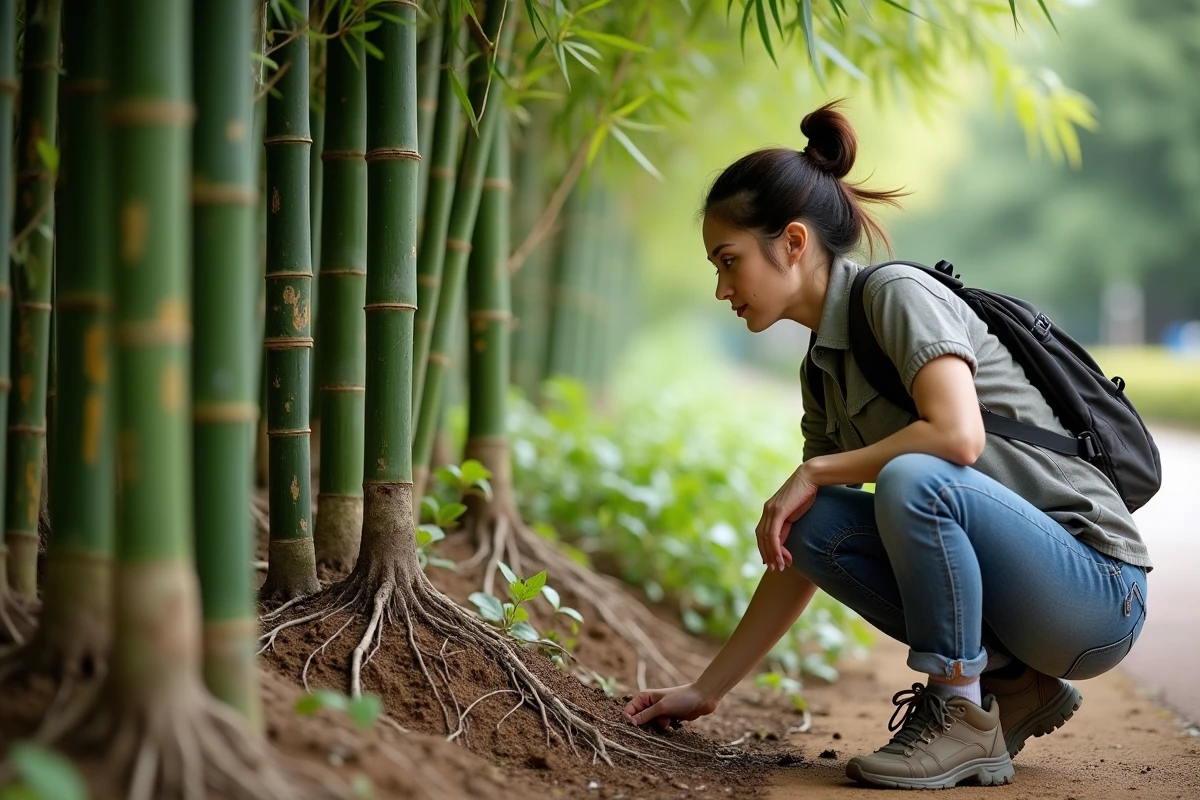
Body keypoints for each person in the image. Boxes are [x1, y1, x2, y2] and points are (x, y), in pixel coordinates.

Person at [622, 101, 1151, 790]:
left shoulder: (896, 293)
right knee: (809, 519)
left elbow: (957, 436)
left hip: (1098, 590)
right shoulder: (823, 368)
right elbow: (798, 555)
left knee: (913, 476)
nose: (722, 288)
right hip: (1028, 604)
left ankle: (959, 713)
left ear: (792, 242)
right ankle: (1015, 686)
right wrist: (706, 689)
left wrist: (817, 467)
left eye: (730, 261)